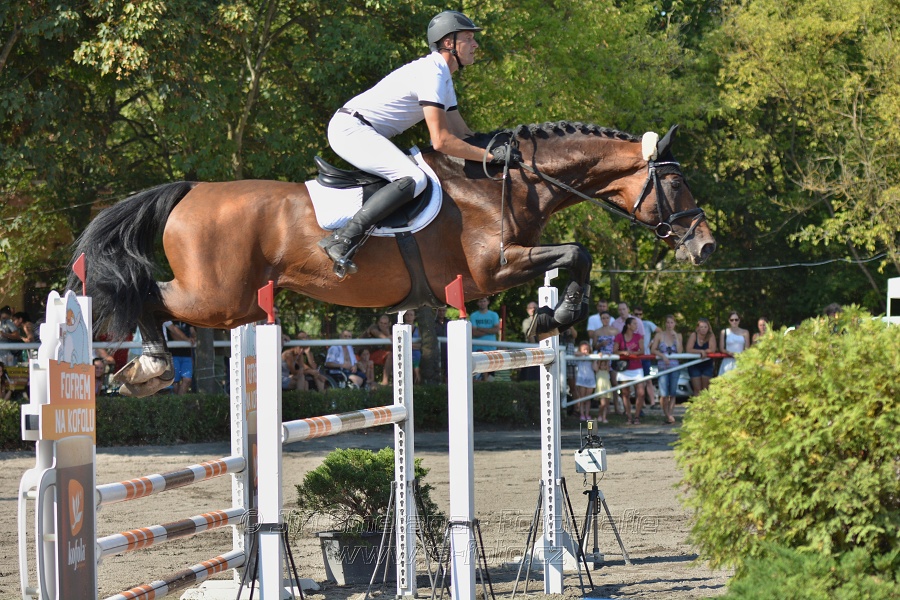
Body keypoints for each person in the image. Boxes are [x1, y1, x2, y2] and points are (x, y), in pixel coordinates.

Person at [318, 10, 521, 276]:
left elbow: (461, 133)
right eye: (469, 38)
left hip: (361, 129)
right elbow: (441, 141)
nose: (475, 44)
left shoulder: (443, 76)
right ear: (448, 42)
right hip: (350, 129)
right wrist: (491, 158)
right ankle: (343, 238)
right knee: (414, 178)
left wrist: (498, 146)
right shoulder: (432, 73)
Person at [651, 315, 683, 425]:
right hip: (663, 366)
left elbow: (680, 351)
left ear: (675, 324)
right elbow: (653, 349)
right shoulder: (659, 335)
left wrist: (676, 339)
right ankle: (667, 415)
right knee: (664, 393)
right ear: (665, 324)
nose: (669, 325)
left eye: (671, 322)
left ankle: (670, 414)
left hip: (675, 366)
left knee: (672, 392)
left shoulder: (678, 335)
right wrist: (662, 355)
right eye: (668, 322)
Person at [614, 317, 645, 425]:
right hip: (624, 368)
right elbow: (615, 351)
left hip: (637, 367)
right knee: (625, 393)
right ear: (628, 325)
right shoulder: (619, 336)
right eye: (634, 324)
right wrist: (623, 353)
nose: (636, 325)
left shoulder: (638, 336)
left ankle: (637, 416)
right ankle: (629, 416)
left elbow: (642, 350)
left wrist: (633, 353)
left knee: (641, 393)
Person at [592, 311, 619, 417]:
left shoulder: (615, 331)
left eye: (607, 318)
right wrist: (600, 344)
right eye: (603, 318)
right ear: (600, 319)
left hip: (612, 358)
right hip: (602, 361)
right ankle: (604, 409)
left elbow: (619, 344)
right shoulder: (597, 332)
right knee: (603, 384)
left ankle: (616, 407)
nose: (605, 320)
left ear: (610, 318)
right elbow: (594, 346)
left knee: (614, 383)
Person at [633, 306, 658, 408]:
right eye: (636, 314)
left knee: (648, 379)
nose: (638, 316)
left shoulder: (647, 324)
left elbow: (660, 332)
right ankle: (640, 403)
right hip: (634, 356)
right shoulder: (631, 325)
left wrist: (653, 342)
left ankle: (652, 402)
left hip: (645, 355)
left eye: (640, 314)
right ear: (633, 314)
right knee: (637, 380)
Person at [163, 320, 196, 394]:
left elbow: (193, 332)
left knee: (187, 380)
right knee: (175, 381)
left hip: (187, 355)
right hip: (174, 355)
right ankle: (177, 400)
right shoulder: (170, 321)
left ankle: (179, 399)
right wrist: (187, 340)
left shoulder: (187, 321)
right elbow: (173, 334)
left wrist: (194, 337)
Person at [686, 318, 717, 394]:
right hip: (694, 365)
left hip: (707, 365)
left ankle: (705, 402)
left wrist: (704, 351)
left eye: (705, 327)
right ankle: (697, 402)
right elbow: (689, 349)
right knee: (697, 389)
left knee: (706, 389)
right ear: (698, 328)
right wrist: (700, 351)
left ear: (708, 328)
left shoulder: (711, 335)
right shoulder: (694, 335)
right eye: (701, 327)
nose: (703, 329)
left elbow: (712, 349)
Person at [365, 314, 394, 386]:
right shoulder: (373, 327)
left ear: (389, 324)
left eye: (385, 323)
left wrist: (388, 334)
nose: (383, 325)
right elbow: (377, 333)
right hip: (363, 353)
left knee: (390, 355)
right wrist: (388, 337)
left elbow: (388, 348)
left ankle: (385, 382)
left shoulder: (390, 330)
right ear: (378, 323)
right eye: (381, 323)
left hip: (376, 354)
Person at [573, 341, 599, 421]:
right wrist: (584, 354)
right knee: (582, 398)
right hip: (582, 379)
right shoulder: (579, 356)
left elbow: (596, 369)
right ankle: (582, 414)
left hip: (590, 380)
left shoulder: (592, 357)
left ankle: (587, 414)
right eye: (584, 349)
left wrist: (594, 360)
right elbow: (575, 353)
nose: (586, 351)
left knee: (588, 399)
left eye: (587, 349)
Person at [519, 301, 540, 381]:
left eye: (534, 307)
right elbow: (530, 335)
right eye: (530, 308)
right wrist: (535, 348)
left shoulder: (542, 320)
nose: (533, 309)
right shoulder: (526, 322)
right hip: (531, 352)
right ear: (527, 310)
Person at [403, 309, 422, 384]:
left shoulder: (418, 329)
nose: (409, 317)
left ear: (414, 317)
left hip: (416, 352)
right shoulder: (401, 328)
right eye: (407, 315)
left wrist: (409, 345)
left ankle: (417, 381)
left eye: (411, 315)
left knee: (416, 358)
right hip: (404, 352)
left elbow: (420, 344)